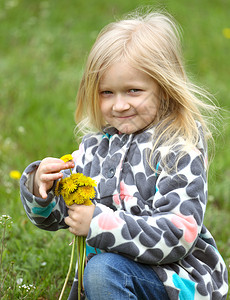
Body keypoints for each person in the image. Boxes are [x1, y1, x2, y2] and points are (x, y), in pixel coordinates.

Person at [20, 9, 228, 300]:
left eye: (133, 90)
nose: (119, 105)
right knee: (103, 271)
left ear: (164, 88)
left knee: (104, 271)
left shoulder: (178, 148)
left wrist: (99, 224)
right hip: (114, 275)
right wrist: (41, 187)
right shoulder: (94, 149)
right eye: (107, 92)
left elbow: (179, 234)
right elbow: (58, 217)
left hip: (174, 281)